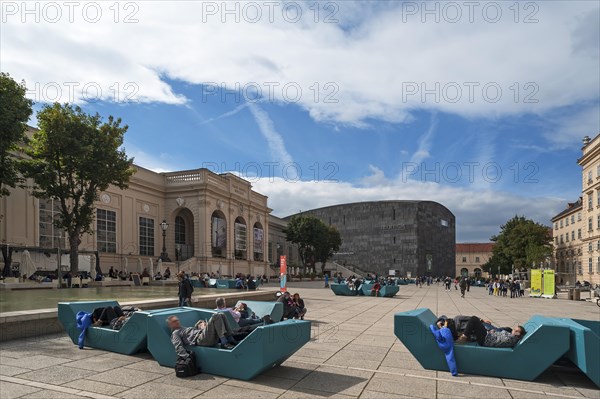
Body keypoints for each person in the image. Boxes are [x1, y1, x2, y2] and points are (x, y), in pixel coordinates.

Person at [167, 313, 237, 355]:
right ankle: (224, 342)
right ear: (170, 325)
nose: (177, 321)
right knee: (216, 316)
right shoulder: (175, 333)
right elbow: (178, 346)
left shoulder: (183, 328)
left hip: (203, 335)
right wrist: (186, 356)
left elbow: (192, 332)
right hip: (201, 340)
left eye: (177, 320)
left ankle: (230, 339)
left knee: (221, 314)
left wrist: (201, 325)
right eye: (174, 321)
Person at [456, 316, 526, 348]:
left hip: (485, 339)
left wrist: (491, 332)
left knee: (474, 319)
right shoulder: (512, 337)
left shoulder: (512, 338)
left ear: (518, 334)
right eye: (514, 329)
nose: (514, 331)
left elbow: (500, 340)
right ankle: (461, 334)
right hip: (488, 336)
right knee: (473, 326)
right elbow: (500, 338)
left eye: (516, 331)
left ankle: (464, 337)